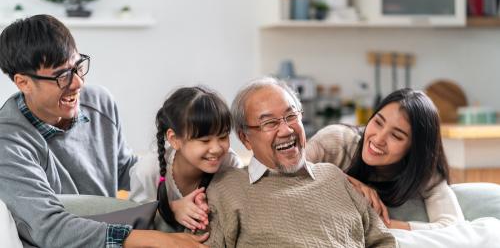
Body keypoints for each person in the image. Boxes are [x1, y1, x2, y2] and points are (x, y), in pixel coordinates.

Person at [0, 15, 207, 247]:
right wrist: (157, 239)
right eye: (61, 76)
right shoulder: (8, 142)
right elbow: (49, 228)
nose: (78, 83)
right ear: (23, 83)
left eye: (78, 67)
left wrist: (171, 203)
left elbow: (125, 170)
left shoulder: (99, 103)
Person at [204, 77, 396, 247]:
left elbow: (383, 241)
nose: (286, 130)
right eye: (269, 123)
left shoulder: (334, 176)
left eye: (291, 116)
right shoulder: (227, 188)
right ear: (245, 138)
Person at [306, 88, 464, 230]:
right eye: (378, 122)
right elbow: (286, 171)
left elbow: (453, 227)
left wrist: (385, 224)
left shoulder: (425, 173)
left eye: (396, 135)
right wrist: (346, 182)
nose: (379, 138)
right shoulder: (337, 140)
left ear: (414, 149)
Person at [129, 86, 242, 231]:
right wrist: (170, 210)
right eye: (205, 140)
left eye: (223, 137)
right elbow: (132, 225)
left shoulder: (230, 163)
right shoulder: (147, 171)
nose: (216, 148)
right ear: (174, 139)